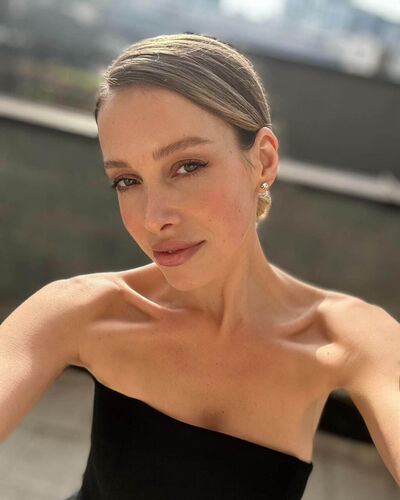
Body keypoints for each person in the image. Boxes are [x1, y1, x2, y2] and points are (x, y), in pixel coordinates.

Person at [1, 33, 399, 499]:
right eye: (126, 180)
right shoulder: (82, 311)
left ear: (263, 160)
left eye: (187, 166)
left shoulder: (347, 338)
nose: (153, 218)